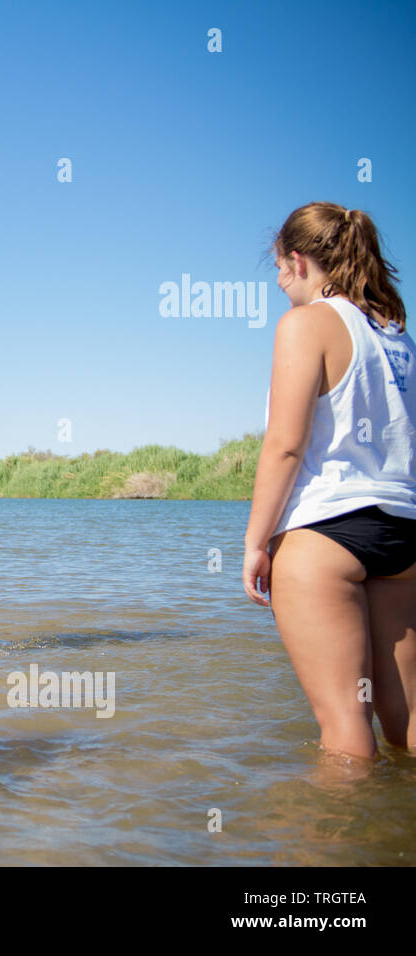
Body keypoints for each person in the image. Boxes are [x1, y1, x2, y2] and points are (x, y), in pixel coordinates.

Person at [244, 202, 416, 759]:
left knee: (344, 727)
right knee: (410, 723)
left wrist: (254, 544)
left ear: (298, 261)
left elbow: (286, 445)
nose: (277, 282)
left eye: (278, 268)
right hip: (404, 537)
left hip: (326, 536)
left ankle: (338, 845)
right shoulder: (397, 338)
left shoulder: (306, 324)